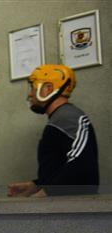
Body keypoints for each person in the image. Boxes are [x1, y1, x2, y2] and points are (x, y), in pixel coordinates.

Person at [8, 64, 99, 197]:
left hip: (73, 213)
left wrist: (43, 195)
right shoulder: (60, 119)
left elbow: (82, 168)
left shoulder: (68, 118)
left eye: (33, 88)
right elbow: (60, 169)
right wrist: (35, 185)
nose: (30, 94)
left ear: (48, 89)